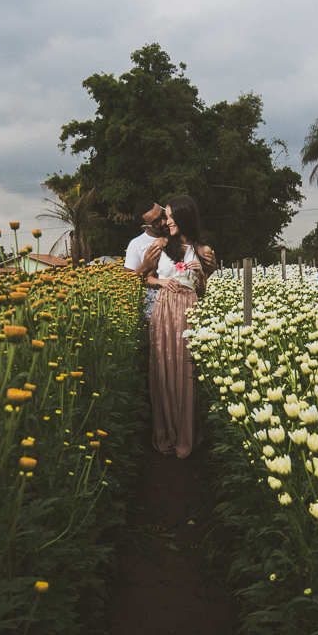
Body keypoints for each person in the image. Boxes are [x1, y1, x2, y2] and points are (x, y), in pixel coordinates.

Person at [146, 195, 212, 458]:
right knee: (163, 368)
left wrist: (202, 273)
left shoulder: (203, 250)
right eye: (167, 216)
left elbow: (203, 290)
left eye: (172, 216)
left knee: (187, 369)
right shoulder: (161, 244)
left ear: (185, 217)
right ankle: (167, 433)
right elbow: (147, 278)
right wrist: (162, 283)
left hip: (189, 311)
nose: (167, 221)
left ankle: (186, 434)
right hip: (163, 309)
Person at [124, 200, 167, 317]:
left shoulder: (177, 234)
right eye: (156, 222)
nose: (164, 222)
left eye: (163, 215)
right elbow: (127, 282)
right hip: (152, 311)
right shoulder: (136, 244)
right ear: (145, 228)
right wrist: (146, 265)